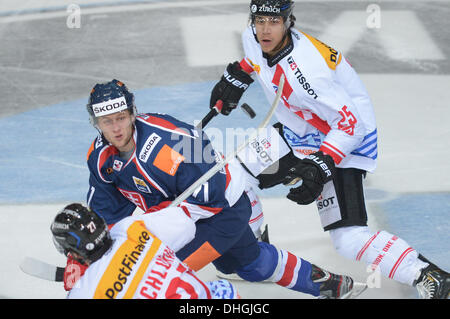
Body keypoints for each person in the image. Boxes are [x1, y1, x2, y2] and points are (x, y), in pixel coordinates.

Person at [208, 0, 449, 299]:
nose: (265, 29)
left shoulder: (309, 71)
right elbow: (254, 57)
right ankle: (251, 252)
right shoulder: (254, 37)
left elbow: (351, 124)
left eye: (273, 22)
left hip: (344, 140)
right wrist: (239, 74)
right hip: (298, 132)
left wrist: (321, 165)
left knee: (348, 238)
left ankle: (429, 276)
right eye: (259, 21)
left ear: (288, 21)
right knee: (231, 175)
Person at [62, 78, 363, 299]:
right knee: (251, 264)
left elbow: (212, 193)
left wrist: (157, 220)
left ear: (132, 112)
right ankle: (329, 284)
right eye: (106, 121)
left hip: (222, 212)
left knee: (152, 273)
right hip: (188, 217)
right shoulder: (101, 158)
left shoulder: (165, 143)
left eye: (121, 118)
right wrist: (87, 254)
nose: (116, 128)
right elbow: (105, 215)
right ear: (96, 122)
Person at [51, 203, 239, 299]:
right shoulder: (130, 227)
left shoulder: (86, 291)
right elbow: (186, 227)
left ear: (75, 254)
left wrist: (81, 282)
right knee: (222, 291)